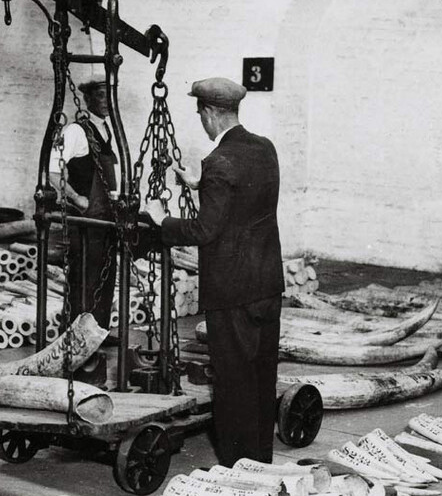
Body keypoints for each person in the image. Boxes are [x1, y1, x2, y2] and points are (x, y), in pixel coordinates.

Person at [144, 77, 283, 465]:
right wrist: (200, 184)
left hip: (232, 291)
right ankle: (261, 460)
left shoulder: (218, 161)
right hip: (266, 283)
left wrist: (161, 221)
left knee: (234, 382)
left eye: (201, 115)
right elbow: (244, 198)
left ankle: (238, 467)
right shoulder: (264, 148)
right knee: (260, 376)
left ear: (208, 114)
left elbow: (205, 230)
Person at [48, 77, 119, 385]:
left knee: (105, 280)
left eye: (109, 95)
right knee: (85, 284)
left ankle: (97, 340)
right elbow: (53, 172)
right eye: (100, 95)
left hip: (106, 222)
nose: (105, 100)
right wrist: (78, 199)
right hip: (87, 222)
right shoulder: (76, 131)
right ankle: (80, 352)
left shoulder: (108, 131)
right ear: (88, 99)